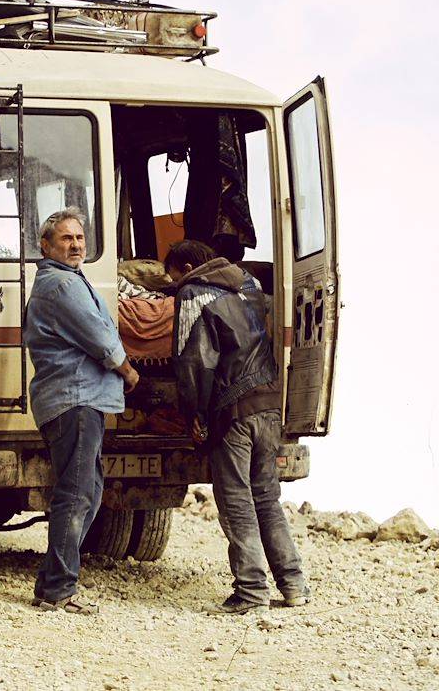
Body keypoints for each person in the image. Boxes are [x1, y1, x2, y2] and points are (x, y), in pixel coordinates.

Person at [164, 239, 307, 614]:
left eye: (173, 277)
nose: (174, 285)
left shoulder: (193, 293)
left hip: (233, 410)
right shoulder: (249, 282)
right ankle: (294, 585)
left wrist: (195, 414)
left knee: (236, 502)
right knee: (267, 498)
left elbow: (194, 361)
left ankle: (251, 592)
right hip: (269, 403)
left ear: (186, 268)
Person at [23, 208, 140, 614]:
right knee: (75, 494)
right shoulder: (61, 285)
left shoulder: (66, 280)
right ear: (46, 246)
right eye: (66, 239)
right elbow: (101, 339)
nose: (75, 245)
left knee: (87, 492)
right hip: (74, 400)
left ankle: (50, 583)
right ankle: (59, 588)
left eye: (79, 238)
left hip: (78, 400)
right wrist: (128, 372)